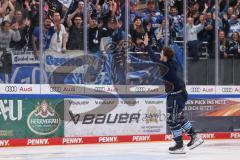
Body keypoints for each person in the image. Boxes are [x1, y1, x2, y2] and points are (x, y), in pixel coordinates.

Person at [144, 35, 204, 154]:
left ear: (164, 56)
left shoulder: (165, 65)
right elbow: (164, 51)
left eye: (161, 53)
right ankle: (194, 136)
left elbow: (153, 57)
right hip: (178, 94)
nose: (160, 55)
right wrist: (157, 39)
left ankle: (179, 144)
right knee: (178, 118)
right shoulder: (171, 62)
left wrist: (146, 45)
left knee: (172, 120)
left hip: (176, 95)